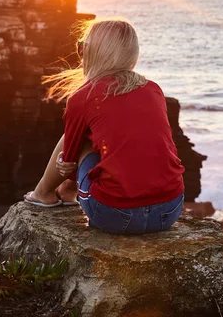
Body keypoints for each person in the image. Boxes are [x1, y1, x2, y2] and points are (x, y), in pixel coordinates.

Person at [24, 18, 185, 235]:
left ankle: (43, 193)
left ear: (92, 53)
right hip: (170, 210)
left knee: (81, 140)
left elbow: (70, 157)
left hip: (116, 216)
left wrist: (65, 166)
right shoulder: (154, 89)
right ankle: (67, 191)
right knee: (114, 140)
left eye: (82, 48)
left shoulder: (83, 97)